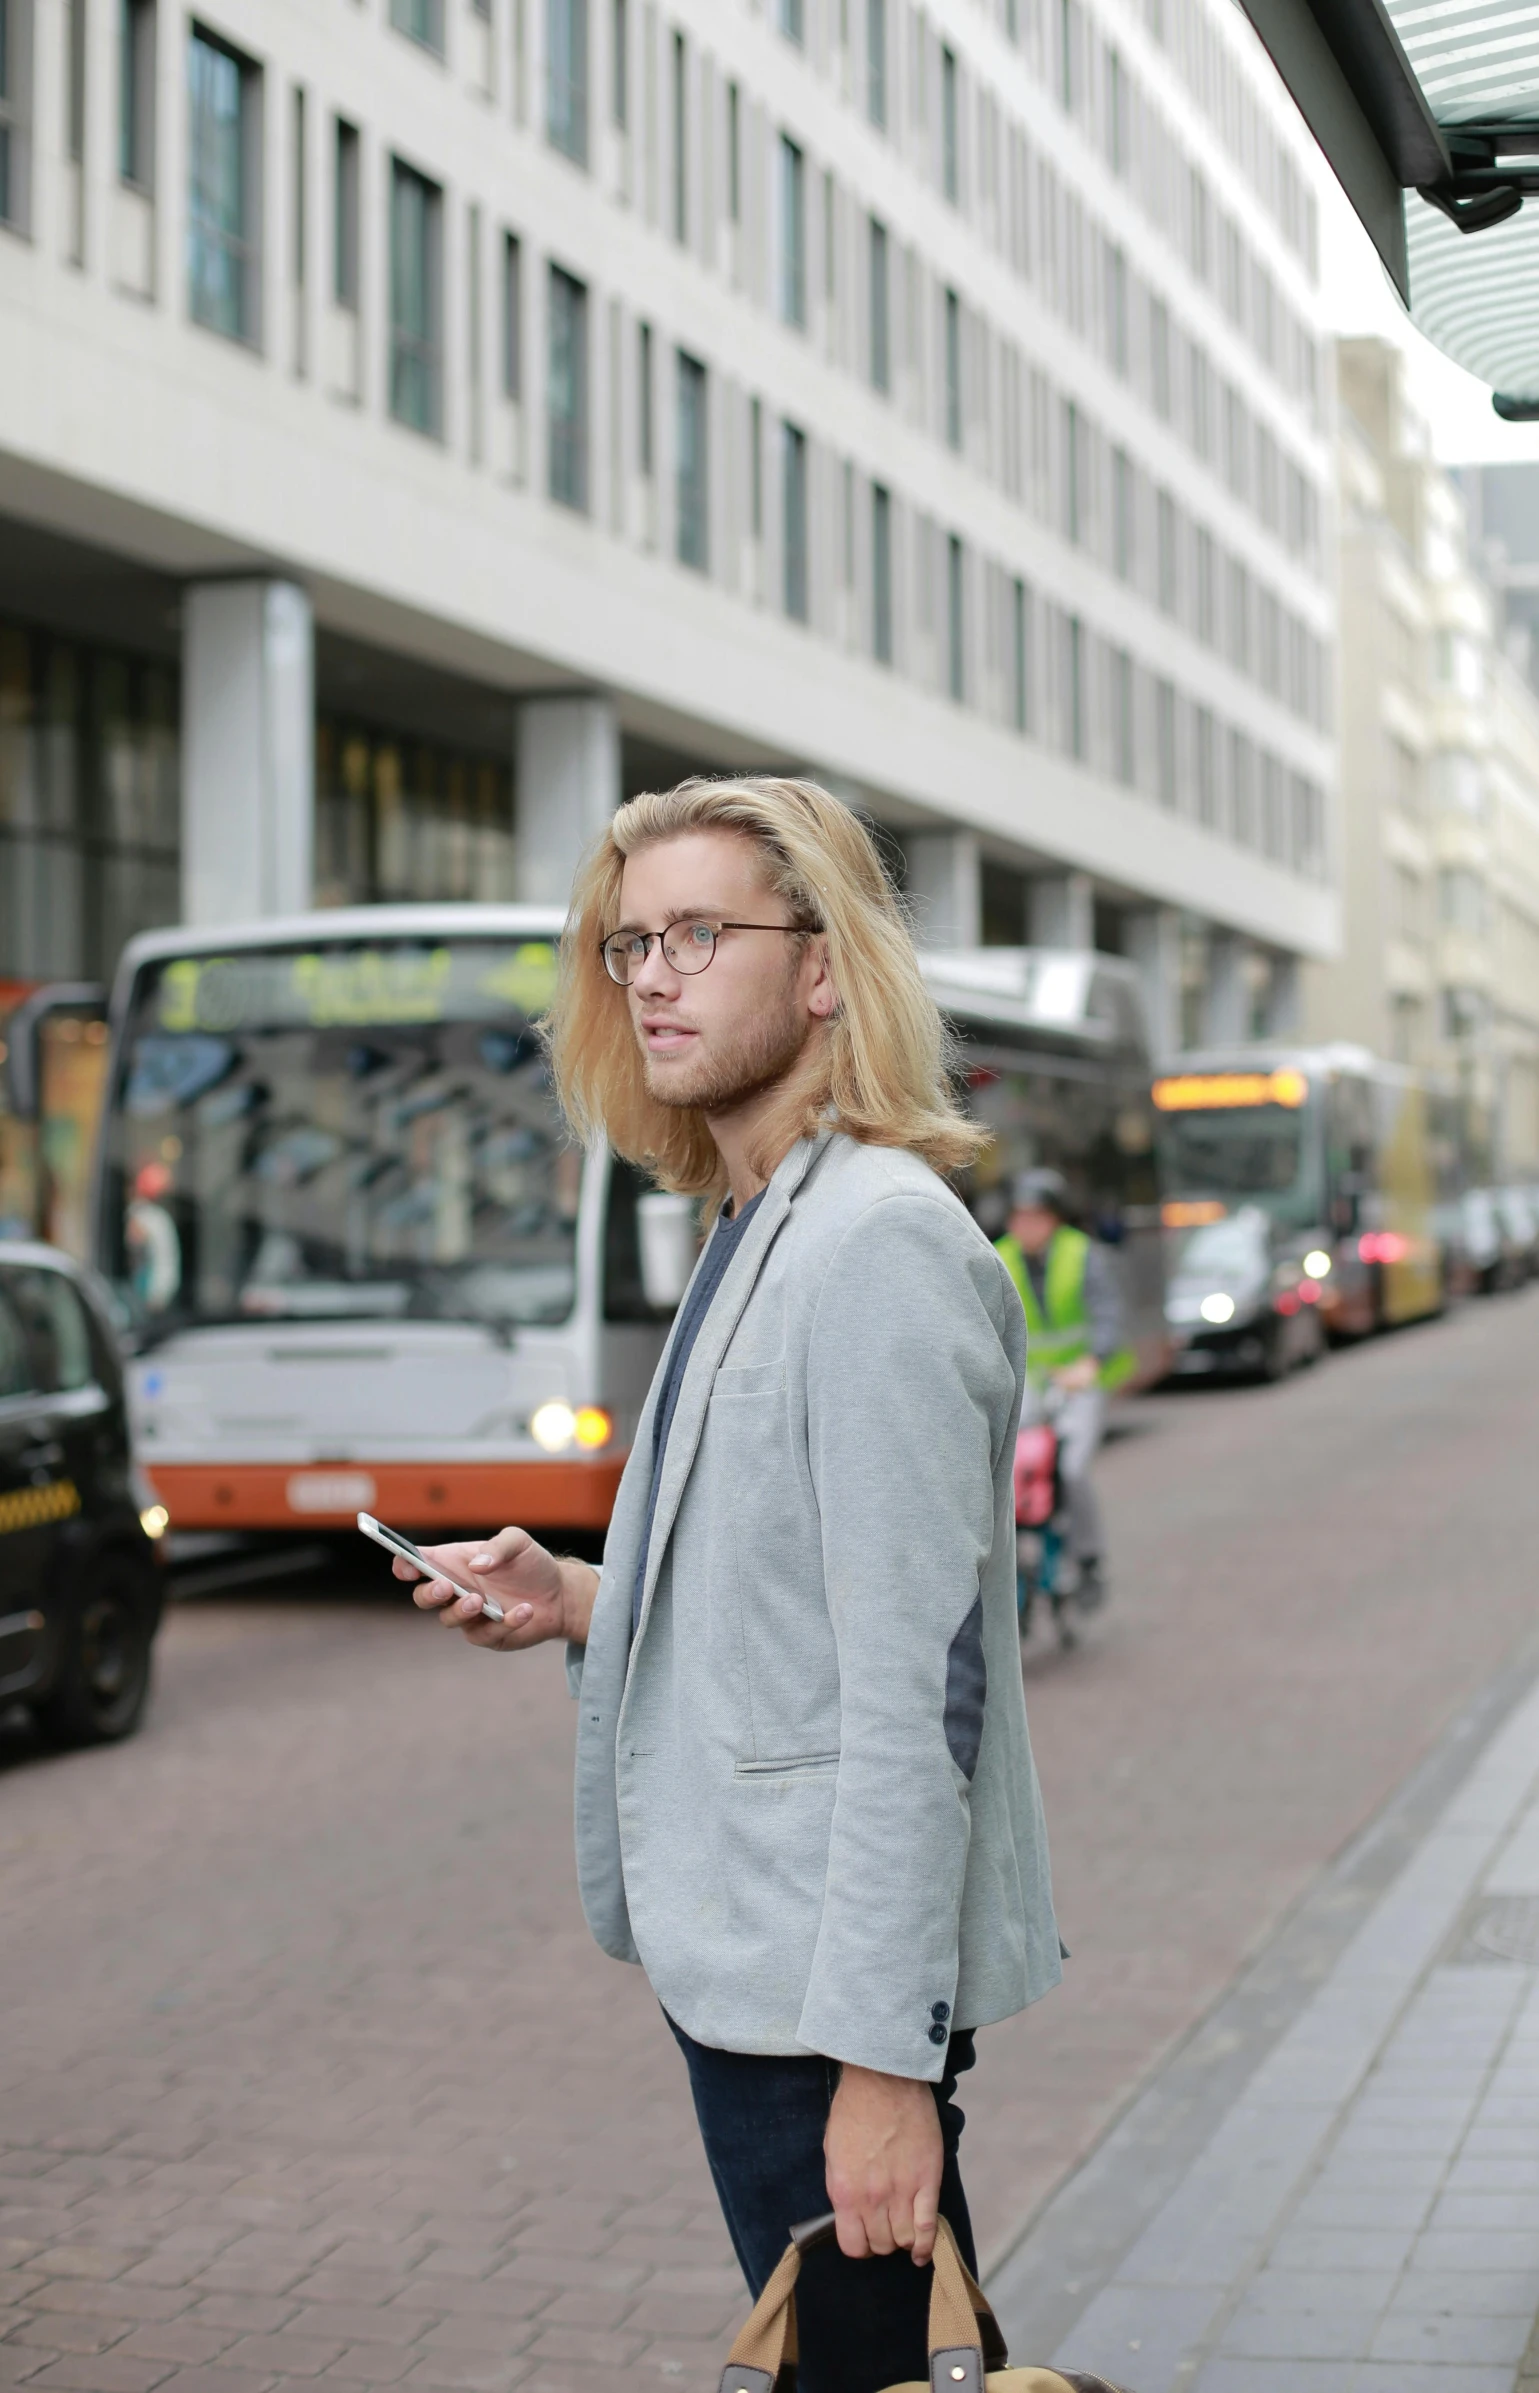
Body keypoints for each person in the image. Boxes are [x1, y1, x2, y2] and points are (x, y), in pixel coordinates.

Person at [394, 776, 1060, 2393]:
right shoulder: (759, 1216)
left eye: (698, 931)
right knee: (874, 2367)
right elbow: (785, 1602)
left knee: (875, 2370)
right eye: (629, 943)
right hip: (758, 1957)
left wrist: (884, 2067)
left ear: (824, 967)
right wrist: (574, 1594)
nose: (652, 976)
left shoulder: (877, 1245)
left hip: (818, 1990)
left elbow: (923, 1688)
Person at [994, 1167, 1133, 1611]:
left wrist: (1090, 1365)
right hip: (1028, 1384)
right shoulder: (998, 1257)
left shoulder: (1082, 1254)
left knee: (1071, 1469)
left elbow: (1109, 1314)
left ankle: (1089, 1560)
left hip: (1078, 1383)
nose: (1026, 1227)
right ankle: (1009, 1568)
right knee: (1008, 1472)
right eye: (1019, 1217)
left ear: (1054, 1219)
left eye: (1035, 1217)